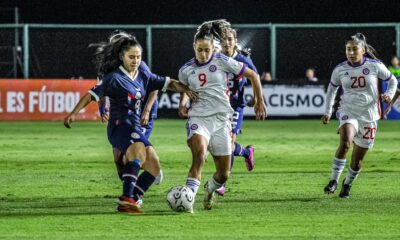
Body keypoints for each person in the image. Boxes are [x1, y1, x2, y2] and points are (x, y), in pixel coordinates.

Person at [64, 34, 198, 214]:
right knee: (137, 153)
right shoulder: (114, 78)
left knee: (153, 168)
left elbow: (169, 83)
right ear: (122, 57)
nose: (135, 60)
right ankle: (127, 197)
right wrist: (73, 114)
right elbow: (91, 95)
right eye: (131, 57)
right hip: (120, 125)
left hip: (134, 125)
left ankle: (132, 198)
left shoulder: (143, 74)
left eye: (138, 57)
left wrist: (186, 89)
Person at [178, 20, 267, 211]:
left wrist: (259, 101)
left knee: (224, 173)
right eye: (199, 50)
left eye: (207, 50)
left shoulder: (223, 61)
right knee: (200, 156)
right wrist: (183, 102)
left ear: (213, 48)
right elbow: (183, 85)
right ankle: (188, 199)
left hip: (221, 120)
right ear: (194, 47)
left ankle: (210, 189)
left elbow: (253, 75)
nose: (203, 54)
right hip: (198, 118)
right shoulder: (185, 69)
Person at [322, 33, 397, 198]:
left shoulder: (375, 66)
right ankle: (333, 180)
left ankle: (347, 184)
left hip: (369, 116)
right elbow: (331, 90)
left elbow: (393, 81)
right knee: (345, 143)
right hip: (348, 111)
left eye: (354, 49)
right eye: (348, 49)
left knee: (357, 162)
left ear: (363, 50)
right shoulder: (340, 69)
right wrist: (328, 112)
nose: (350, 52)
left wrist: (389, 95)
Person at [96, 31, 163, 187]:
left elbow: (154, 88)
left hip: (142, 114)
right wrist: (102, 108)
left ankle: (139, 185)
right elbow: (101, 89)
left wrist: (146, 111)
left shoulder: (139, 65)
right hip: (122, 115)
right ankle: (134, 183)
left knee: (130, 154)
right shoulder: (107, 68)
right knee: (117, 158)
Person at [213, 27, 260, 196]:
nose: (227, 43)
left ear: (235, 42)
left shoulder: (242, 59)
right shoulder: (215, 58)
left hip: (235, 107)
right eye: (223, 40)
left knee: (229, 143)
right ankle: (247, 152)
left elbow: (255, 76)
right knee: (218, 144)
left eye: (230, 39)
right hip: (218, 107)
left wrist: (256, 99)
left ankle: (222, 183)